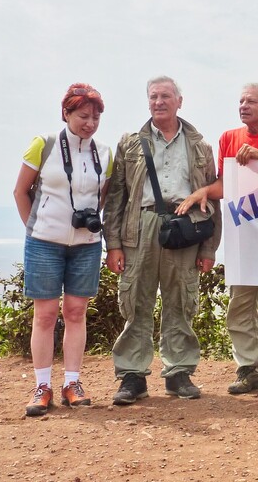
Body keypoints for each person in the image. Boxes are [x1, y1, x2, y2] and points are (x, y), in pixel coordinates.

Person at [175, 83, 258, 401]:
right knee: (240, 305)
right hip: (243, 234)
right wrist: (205, 191)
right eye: (241, 101)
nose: (243, 105)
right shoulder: (229, 138)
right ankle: (248, 369)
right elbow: (224, 183)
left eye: (251, 101)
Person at [104, 76, 221, 404]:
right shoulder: (130, 142)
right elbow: (116, 197)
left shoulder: (200, 145)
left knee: (180, 299)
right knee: (135, 299)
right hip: (139, 226)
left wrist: (209, 247)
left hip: (184, 226)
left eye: (165, 96)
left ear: (179, 101)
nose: (159, 102)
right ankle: (132, 376)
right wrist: (113, 244)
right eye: (153, 97)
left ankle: (179, 373)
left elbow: (212, 198)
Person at [14, 83, 112, 416]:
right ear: (66, 113)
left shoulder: (104, 153)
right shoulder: (44, 145)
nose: (90, 123)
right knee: (44, 315)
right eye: (83, 116)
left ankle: (73, 383)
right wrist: (35, 229)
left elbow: (102, 199)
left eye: (96, 117)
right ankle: (42, 386)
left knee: (75, 312)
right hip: (43, 243)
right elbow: (20, 191)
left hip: (85, 244)